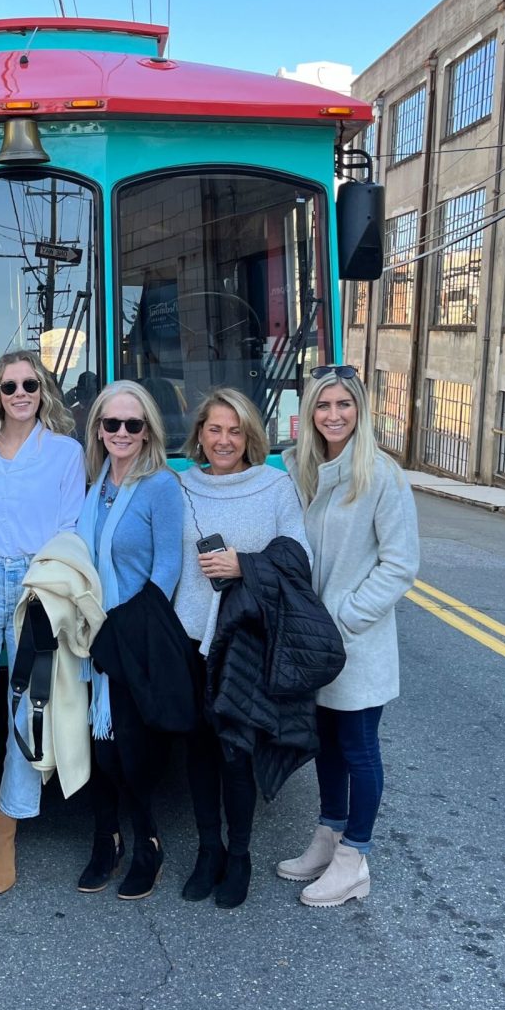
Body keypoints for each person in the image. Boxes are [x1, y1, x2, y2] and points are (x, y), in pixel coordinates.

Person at [0, 351, 85, 919]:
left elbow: (71, 526)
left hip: (36, 588)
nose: (20, 393)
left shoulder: (65, 453)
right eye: (9, 386)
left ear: (43, 389)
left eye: (30, 383)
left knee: (29, 714)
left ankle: (7, 829)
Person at [279, 365, 419, 906]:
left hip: (354, 642)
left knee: (359, 747)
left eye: (344, 405)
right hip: (310, 643)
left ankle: (354, 856)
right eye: (323, 405)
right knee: (327, 745)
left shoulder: (380, 475)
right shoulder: (299, 469)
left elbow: (401, 563)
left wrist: (346, 616)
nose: (333, 415)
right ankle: (327, 835)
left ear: (360, 410)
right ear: (309, 413)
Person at [172, 388, 310, 908]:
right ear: (200, 435)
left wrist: (243, 565)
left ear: (250, 435)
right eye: (214, 429)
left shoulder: (276, 486)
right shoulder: (178, 484)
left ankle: (241, 855)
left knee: (235, 752)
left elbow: (300, 557)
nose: (224, 440)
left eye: (234, 431)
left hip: (244, 639)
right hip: (187, 634)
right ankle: (209, 848)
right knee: (198, 749)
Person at [76, 381, 183, 900]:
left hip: (132, 637)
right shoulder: (95, 484)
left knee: (129, 751)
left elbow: (168, 568)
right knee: (96, 746)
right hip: (90, 634)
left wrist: (124, 626)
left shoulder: (160, 485)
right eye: (111, 423)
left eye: (132, 425)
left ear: (147, 432)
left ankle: (148, 844)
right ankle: (105, 839)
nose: (121, 432)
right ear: (98, 429)